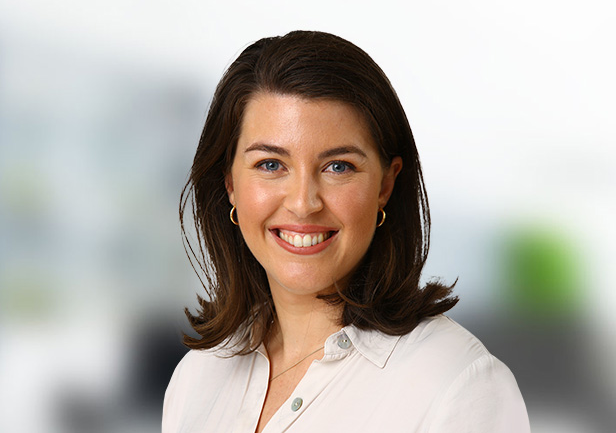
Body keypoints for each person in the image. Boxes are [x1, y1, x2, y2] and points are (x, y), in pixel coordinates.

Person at [162, 31, 530, 433]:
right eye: (270, 164)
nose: (303, 203)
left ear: (385, 185)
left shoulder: (461, 386)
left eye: (338, 167)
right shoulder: (196, 378)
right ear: (230, 184)